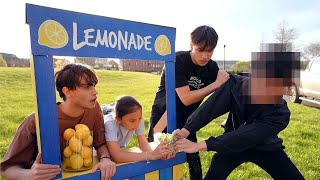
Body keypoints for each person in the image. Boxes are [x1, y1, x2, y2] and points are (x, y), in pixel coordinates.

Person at [173, 50, 305, 180]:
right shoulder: (236, 85)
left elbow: (246, 136)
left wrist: (200, 145)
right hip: (231, 146)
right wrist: (187, 129)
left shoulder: (280, 114)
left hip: (265, 147)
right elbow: (211, 107)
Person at [0, 64, 116, 180]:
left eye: (94, 86)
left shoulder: (93, 108)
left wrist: (105, 159)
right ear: (67, 91)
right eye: (87, 87)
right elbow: (6, 169)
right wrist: (29, 175)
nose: (95, 92)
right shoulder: (36, 120)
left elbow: (100, 144)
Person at [147, 25, 229, 179]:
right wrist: (216, 84)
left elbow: (221, 94)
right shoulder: (177, 60)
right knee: (156, 158)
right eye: (200, 50)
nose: (205, 56)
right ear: (191, 46)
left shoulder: (212, 68)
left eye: (209, 51)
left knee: (194, 162)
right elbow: (186, 98)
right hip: (164, 115)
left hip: (188, 121)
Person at [104, 95, 173, 163]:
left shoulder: (137, 117)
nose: (137, 124)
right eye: (132, 121)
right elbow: (117, 156)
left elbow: (143, 143)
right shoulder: (110, 124)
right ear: (118, 119)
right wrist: (150, 155)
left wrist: (157, 154)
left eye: (139, 118)